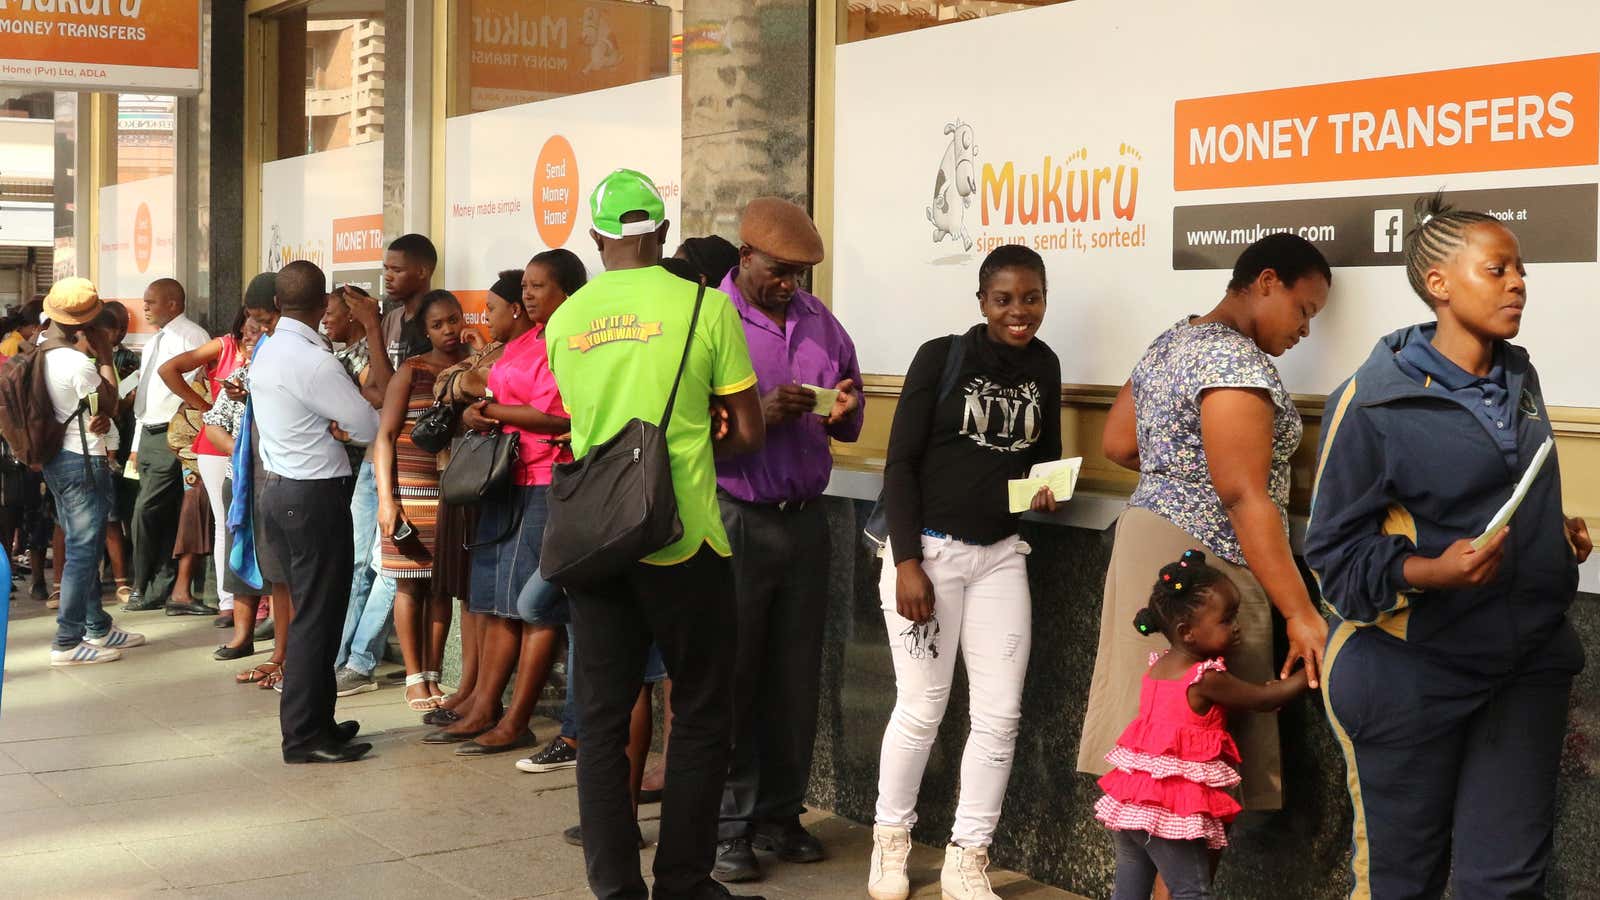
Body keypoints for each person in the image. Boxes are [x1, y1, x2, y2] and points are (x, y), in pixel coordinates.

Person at [1305, 194, 1591, 899]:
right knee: (1403, 881)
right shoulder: (1371, 399)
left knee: (1507, 881)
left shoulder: (1520, 378)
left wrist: (1548, 541)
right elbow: (1334, 557)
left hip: (1524, 669)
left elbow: (1493, 494)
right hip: (1409, 673)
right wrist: (1431, 570)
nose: (1519, 283)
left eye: (1520, 270)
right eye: (1498, 270)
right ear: (1439, 284)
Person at [544, 168, 765, 900]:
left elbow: (584, 424)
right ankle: (683, 881)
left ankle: (615, 889)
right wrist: (707, 442)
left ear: (600, 238)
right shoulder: (705, 306)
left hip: (597, 543)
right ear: (662, 233)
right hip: (686, 538)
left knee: (602, 722)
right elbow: (750, 431)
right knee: (700, 711)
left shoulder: (565, 320)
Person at [1077, 234, 1331, 823]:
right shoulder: (1234, 361)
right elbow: (1243, 495)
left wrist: (1182, 470)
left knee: (1150, 761)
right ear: (1266, 281)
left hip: (1148, 543)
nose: (1305, 330)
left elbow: (1118, 443)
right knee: (1191, 762)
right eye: (1304, 310)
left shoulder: (1174, 340)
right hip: (1206, 560)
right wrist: (1299, 611)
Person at [867, 244, 1060, 900]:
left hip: (1002, 555)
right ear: (982, 301)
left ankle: (968, 856)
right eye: (1004, 298)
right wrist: (909, 562)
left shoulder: (1045, 366)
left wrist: (1045, 490)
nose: (1018, 311)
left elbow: (1046, 458)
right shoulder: (940, 356)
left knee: (1000, 715)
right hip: (930, 554)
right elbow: (899, 463)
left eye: (1030, 297)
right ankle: (890, 843)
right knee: (922, 706)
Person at [710, 198, 864, 883]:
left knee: (796, 678)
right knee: (735, 675)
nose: (789, 285)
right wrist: (756, 416)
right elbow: (686, 421)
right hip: (736, 514)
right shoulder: (708, 320)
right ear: (744, 258)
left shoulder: (820, 323)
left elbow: (849, 414)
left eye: (800, 274)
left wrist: (847, 407)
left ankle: (780, 813)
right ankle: (730, 827)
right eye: (779, 271)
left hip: (807, 519)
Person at [428, 256, 581, 755]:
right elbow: (492, 385)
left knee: (530, 609)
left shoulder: (568, 340)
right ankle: (484, 705)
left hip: (542, 479)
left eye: (539, 287)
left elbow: (556, 418)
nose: (529, 295)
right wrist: (477, 408)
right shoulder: (525, 339)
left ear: (566, 290)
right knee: (494, 602)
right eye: (527, 287)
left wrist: (489, 407)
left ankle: (516, 717)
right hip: (503, 477)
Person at [1096, 551, 1310, 900]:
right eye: (1226, 620)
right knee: (1191, 891)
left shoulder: (1159, 666)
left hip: (1132, 804)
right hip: (1170, 811)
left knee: (1128, 892)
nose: (1236, 626)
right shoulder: (1204, 678)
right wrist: (1316, 666)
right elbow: (1263, 700)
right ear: (1187, 632)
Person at [250, 260, 378, 764]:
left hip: (281, 491)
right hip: (313, 496)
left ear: (278, 305)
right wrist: (341, 428)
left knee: (314, 614)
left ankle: (318, 721)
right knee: (316, 618)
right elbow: (366, 425)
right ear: (326, 305)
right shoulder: (314, 361)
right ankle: (304, 736)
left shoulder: (270, 349)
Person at [373, 289, 472, 711]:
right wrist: (386, 499)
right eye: (438, 324)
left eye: (454, 319)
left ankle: (434, 674)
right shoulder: (410, 373)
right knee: (410, 585)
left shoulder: (473, 367)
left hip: (456, 495)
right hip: (412, 493)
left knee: (442, 590)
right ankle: (414, 677)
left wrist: (479, 351)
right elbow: (385, 437)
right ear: (425, 330)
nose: (449, 330)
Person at [37, 279, 139, 665]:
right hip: (81, 461)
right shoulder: (77, 364)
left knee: (85, 543)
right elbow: (110, 404)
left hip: (56, 461)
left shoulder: (41, 352)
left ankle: (97, 625)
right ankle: (67, 639)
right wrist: (106, 357)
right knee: (83, 551)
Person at [324, 284, 399, 698]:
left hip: (394, 463)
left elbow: (383, 394)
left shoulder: (375, 344)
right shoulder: (334, 355)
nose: (325, 321)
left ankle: (361, 660)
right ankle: (336, 658)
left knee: (385, 566)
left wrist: (361, 393)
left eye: (333, 312)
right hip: (371, 462)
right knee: (355, 564)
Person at [124, 277, 211, 613]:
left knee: (147, 510)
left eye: (151, 302)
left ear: (173, 304)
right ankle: (156, 580)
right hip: (147, 433)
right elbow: (145, 393)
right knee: (151, 511)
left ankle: (141, 584)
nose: (145, 307)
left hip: (171, 435)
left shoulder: (192, 336)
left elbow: (194, 387)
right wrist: (135, 441)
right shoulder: (153, 342)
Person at [158, 307, 251, 618]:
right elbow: (168, 369)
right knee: (226, 522)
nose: (256, 330)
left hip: (253, 442)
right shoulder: (223, 346)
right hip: (216, 443)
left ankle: (249, 603)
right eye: (251, 323)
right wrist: (205, 406)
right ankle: (228, 603)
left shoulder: (269, 348)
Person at [201, 304, 270, 661]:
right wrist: (240, 453)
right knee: (239, 553)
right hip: (240, 480)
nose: (247, 340)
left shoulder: (281, 376)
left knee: (278, 564)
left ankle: (282, 649)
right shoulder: (238, 378)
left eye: (255, 333)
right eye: (244, 334)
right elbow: (212, 424)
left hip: (277, 481)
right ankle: (242, 637)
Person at [381, 234, 437, 369]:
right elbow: (372, 384)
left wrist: (371, 326)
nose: (387, 277)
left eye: (397, 270)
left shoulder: (437, 321)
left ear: (422, 272)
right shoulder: (391, 319)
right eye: (386, 268)